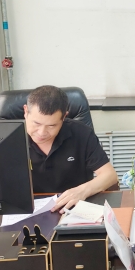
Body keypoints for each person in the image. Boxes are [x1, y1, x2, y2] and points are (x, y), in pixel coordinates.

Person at [23, 85, 118, 213]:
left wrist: (82, 191)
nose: (42, 132)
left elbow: (110, 175)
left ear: (64, 117)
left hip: (75, 208)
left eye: (51, 126)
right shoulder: (9, 138)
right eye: (36, 123)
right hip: (29, 211)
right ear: (25, 111)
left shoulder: (81, 133)